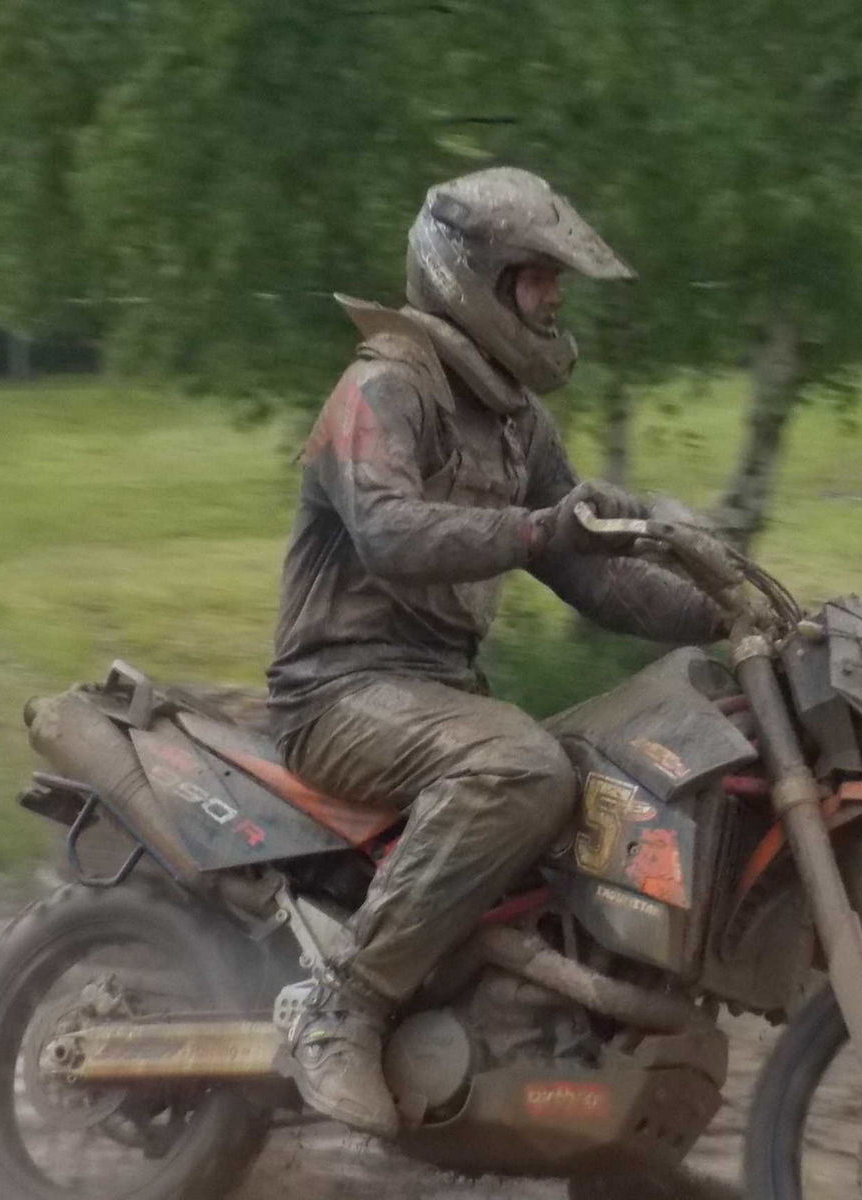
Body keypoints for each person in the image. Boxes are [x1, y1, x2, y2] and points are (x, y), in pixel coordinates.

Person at [265, 167, 726, 1135]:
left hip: (438, 693)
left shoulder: (516, 420)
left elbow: (591, 574)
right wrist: (538, 529)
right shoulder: (385, 386)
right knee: (522, 768)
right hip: (339, 692)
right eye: (536, 277)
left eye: (555, 279)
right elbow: (388, 530)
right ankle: (341, 1006)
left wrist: (728, 612)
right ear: (471, 277)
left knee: (615, 781)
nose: (553, 298)